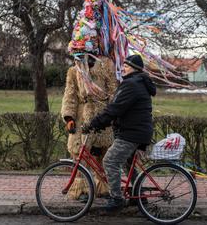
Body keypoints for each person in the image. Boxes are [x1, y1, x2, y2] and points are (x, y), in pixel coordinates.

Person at [82, 54, 157, 211]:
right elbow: (120, 108)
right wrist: (105, 122)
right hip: (137, 131)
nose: (123, 68)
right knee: (128, 164)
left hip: (132, 133)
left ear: (134, 69)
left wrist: (95, 123)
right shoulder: (138, 83)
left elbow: (115, 108)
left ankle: (116, 199)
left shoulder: (132, 84)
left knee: (110, 161)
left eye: (126, 66)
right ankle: (140, 197)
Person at [61, 53, 118, 200]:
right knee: (80, 152)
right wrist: (69, 117)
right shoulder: (74, 70)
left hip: (102, 116)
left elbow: (113, 91)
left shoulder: (106, 66)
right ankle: (82, 189)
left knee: (102, 153)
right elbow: (70, 94)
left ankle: (102, 187)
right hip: (82, 117)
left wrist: (111, 113)